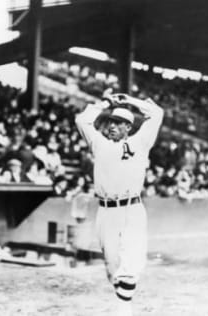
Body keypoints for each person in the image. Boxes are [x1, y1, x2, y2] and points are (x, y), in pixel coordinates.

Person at [75, 93, 164, 316]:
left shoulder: (140, 142)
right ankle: (124, 302)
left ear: (129, 127)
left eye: (119, 123)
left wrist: (129, 101)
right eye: (111, 122)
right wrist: (106, 104)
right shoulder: (99, 144)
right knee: (112, 267)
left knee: (130, 263)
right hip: (106, 211)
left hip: (131, 209)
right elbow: (81, 121)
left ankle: (124, 310)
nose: (113, 126)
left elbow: (157, 113)